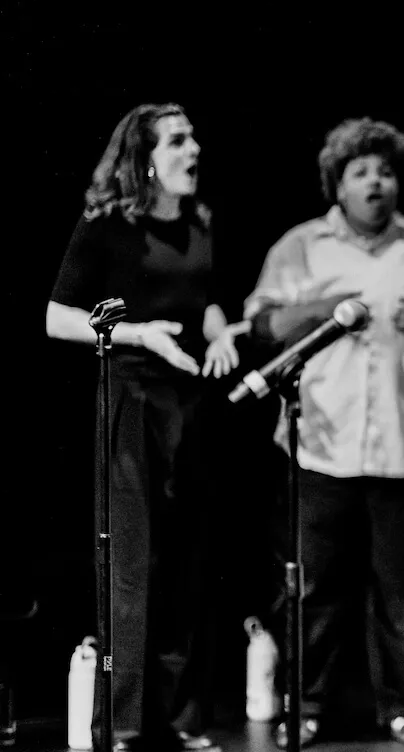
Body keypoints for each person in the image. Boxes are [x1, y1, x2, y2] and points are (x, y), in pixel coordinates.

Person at [242, 117, 404, 748]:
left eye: (385, 171)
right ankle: (308, 705)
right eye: (360, 172)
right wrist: (325, 307)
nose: (376, 182)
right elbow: (262, 326)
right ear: (337, 184)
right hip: (321, 442)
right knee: (313, 590)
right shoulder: (301, 246)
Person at [46, 103, 239, 752]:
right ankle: (126, 724)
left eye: (194, 137)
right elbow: (57, 317)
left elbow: (205, 294)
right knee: (133, 560)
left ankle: (183, 719)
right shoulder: (107, 226)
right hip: (130, 399)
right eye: (180, 140)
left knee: (190, 559)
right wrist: (141, 336)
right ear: (147, 157)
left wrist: (218, 332)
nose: (195, 149)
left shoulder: (199, 220)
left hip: (191, 402)